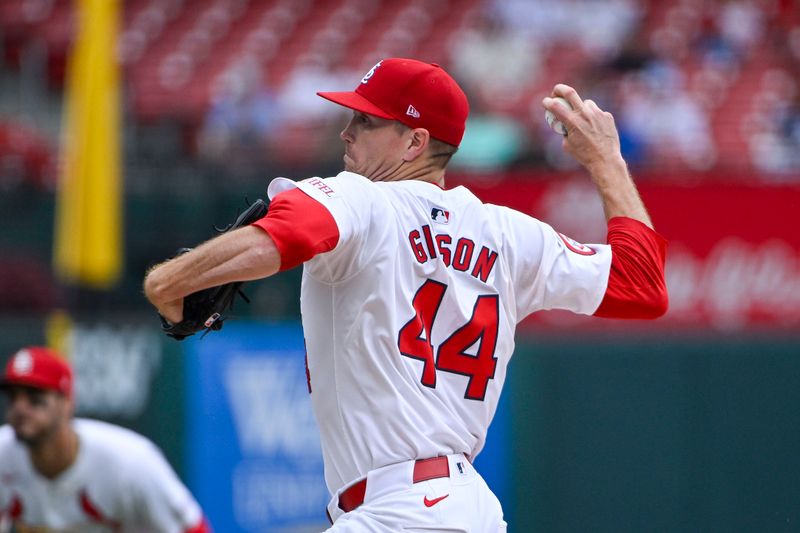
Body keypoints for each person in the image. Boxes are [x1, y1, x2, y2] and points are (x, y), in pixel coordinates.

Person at [144, 58, 668, 532]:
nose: (347, 132)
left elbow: (294, 230)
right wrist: (606, 162)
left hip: (400, 512)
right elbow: (641, 285)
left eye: (367, 121)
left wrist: (168, 282)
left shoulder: (363, 198)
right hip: (466, 509)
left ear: (414, 142)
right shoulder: (511, 235)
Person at [0, 346, 211, 533]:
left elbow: (193, 528)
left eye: (33, 396)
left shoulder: (131, 462)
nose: (20, 407)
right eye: (13, 396)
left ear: (66, 402)